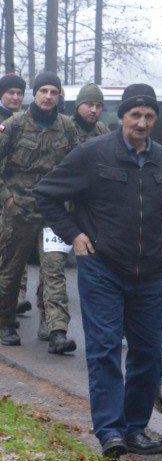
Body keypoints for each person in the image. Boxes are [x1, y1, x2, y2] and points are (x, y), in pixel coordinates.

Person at [34, 83, 162, 458]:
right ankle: (110, 432)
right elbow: (46, 193)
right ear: (121, 118)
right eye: (135, 115)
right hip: (103, 268)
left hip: (150, 274)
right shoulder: (93, 155)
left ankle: (135, 428)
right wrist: (74, 234)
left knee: (147, 354)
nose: (142, 122)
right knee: (103, 350)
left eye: (149, 116)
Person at [0, 72, 79, 350]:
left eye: (53, 92)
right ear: (35, 94)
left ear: (59, 96)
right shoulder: (15, 124)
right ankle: (6, 322)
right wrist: (7, 198)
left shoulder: (67, 127)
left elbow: (77, 165)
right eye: (43, 90)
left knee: (54, 270)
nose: (48, 96)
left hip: (53, 214)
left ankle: (56, 330)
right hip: (18, 211)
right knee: (10, 269)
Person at [34, 84, 111, 348]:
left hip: (89, 215)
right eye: (89, 104)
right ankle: (57, 331)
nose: (94, 109)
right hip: (58, 212)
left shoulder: (103, 132)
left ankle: (111, 324)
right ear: (78, 105)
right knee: (54, 266)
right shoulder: (65, 127)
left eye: (99, 106)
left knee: (100, 271)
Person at [0, 72, 32, 316]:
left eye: (19, 93)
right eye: (11, 92)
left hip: (17, 195)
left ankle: (16, 296)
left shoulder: (25, 120)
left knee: (16, 249)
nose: (15, 97)